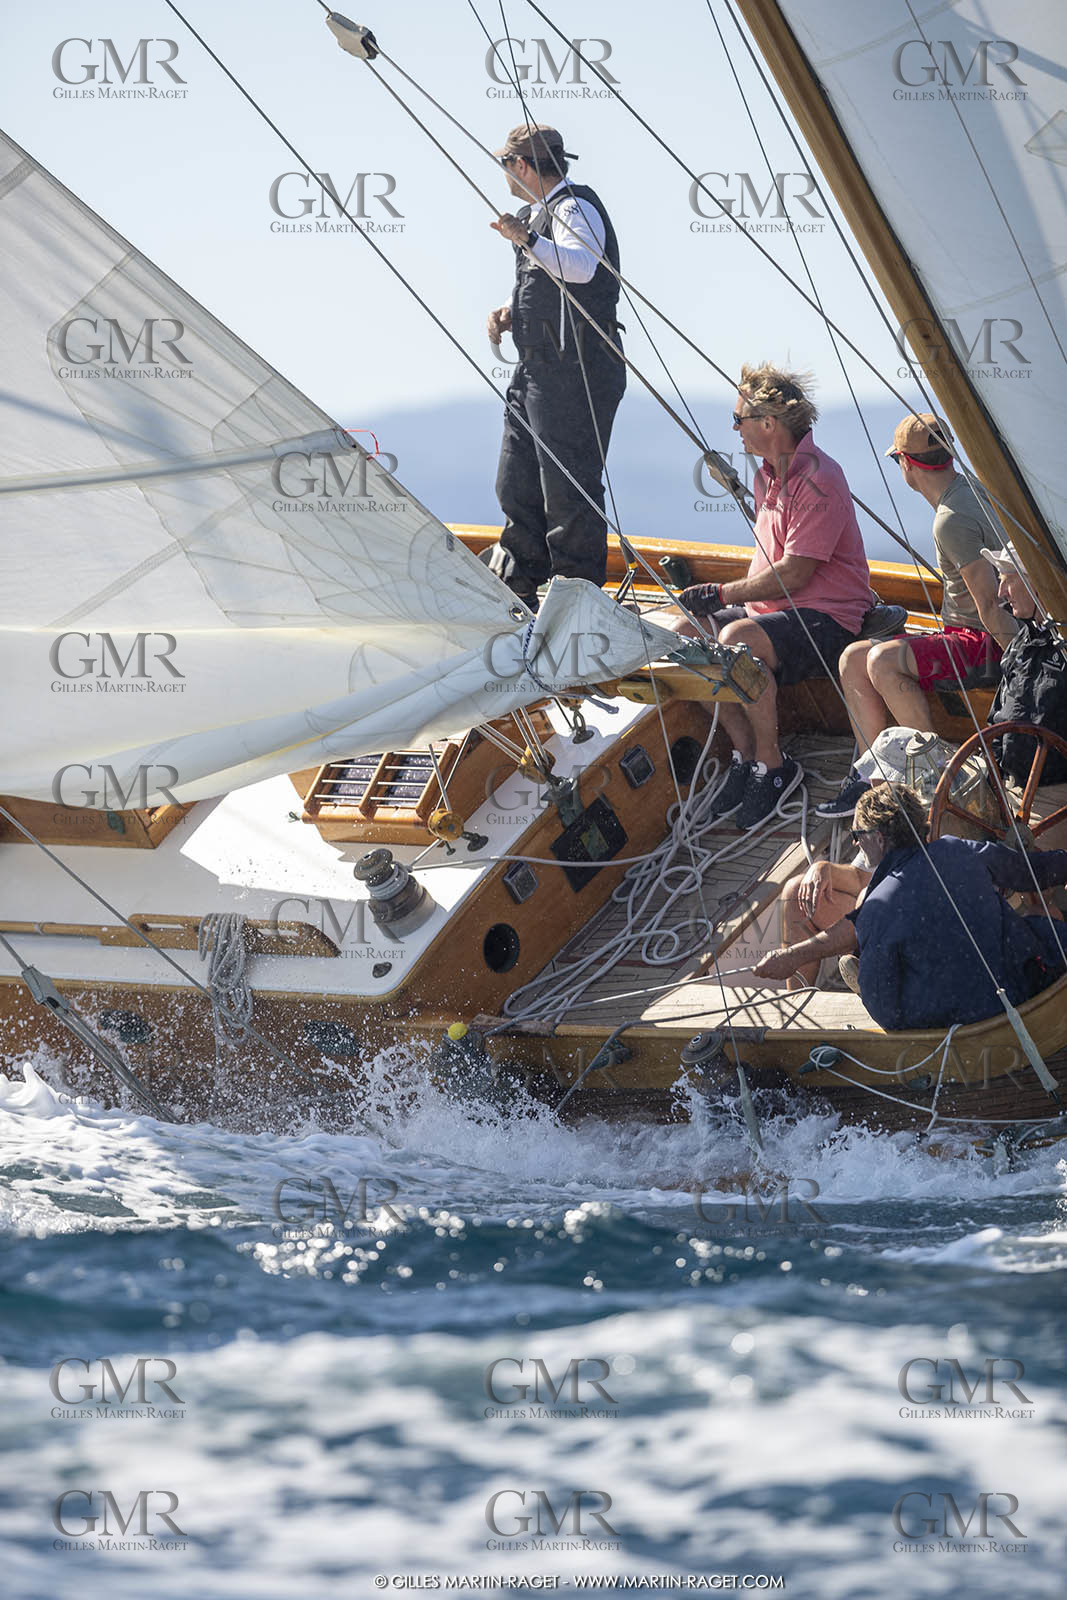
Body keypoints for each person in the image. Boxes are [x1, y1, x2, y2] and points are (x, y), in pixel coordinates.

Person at [673, 364, 877, 830]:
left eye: (739, 419)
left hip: (829, 616)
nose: (735, 430)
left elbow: (795, 573)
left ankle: (775, 763)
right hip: (776, 611)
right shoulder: (769, 475)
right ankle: (746, 755)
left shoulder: (819, 478)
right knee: (685, 634)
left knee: (738, 636)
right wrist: (718, 602)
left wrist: (721, 592)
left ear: (768, 424)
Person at [819, 414, 1016, 818]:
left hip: (985, 642)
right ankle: (873, 783)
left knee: (880, 660)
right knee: (853, 660)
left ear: (907, 464)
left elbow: (989, 605)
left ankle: (933, 779)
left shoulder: (951, 520)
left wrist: (1019, 663)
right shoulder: (970, 492)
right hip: (980, 634)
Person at [753, 783, 1067, 1030]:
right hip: (1029, 985)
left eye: (857, 835)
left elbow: (887, 1013)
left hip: (974, 1021)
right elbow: (1033, 872)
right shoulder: (960, 849)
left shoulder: (875, 909)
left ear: (877, 838)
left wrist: (866, 981)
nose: (854, 843)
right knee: (1042, 926)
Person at [482, 124, 626, 606]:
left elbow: (583, 268)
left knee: (568, 484)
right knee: (515, 476)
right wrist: (508, 308)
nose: (504, 173)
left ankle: (576, 591)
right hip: (537, 370)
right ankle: (519, 576)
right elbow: (545, 277)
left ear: (521, 166)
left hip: (577, 369)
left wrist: (526, 240)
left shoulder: (574, 207)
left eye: (505, 164)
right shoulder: (536, 214)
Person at [982, 541, 1067, 786]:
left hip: (1052, 796)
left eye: (1008, 579)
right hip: (1010, 785)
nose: (1001, 593)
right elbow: (995, 720)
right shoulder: (1021, 643)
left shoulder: (1062, 647)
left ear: (1036, 582)